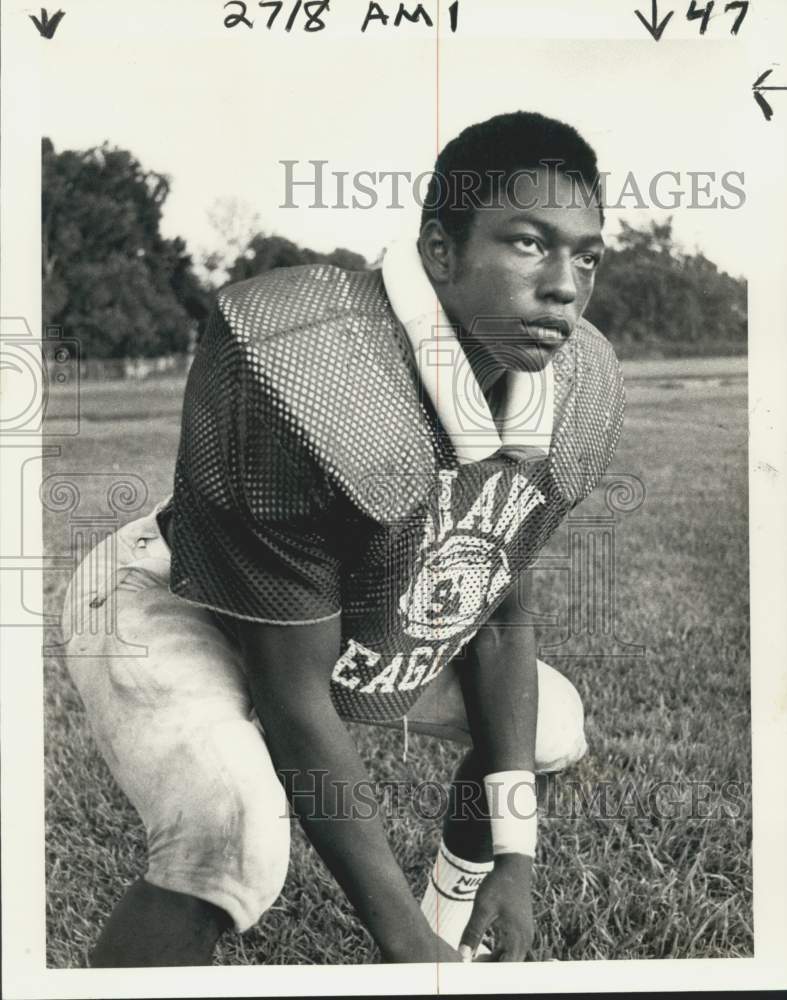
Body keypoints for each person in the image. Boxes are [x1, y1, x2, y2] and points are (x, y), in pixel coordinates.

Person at [60, 110, 624, 966]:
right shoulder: (311, 365)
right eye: (526, 243)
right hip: (175, 595)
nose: (564, 285)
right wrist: (395, 940)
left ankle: (451, 921)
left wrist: (514, 856)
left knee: (549, 724)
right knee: (232, 830)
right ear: (439, 250)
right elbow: (294, 702)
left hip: (361, 601)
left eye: (584, 254)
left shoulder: (568, 382)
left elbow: (500, 619)